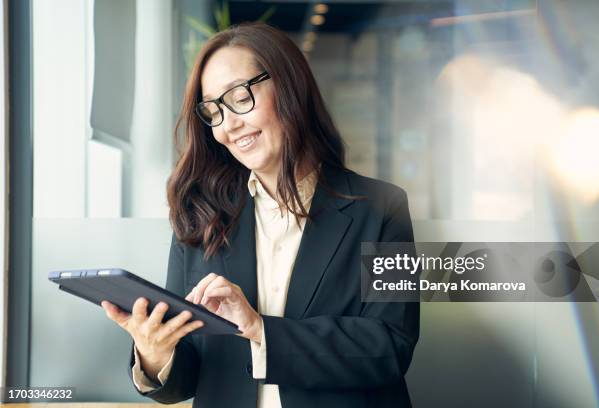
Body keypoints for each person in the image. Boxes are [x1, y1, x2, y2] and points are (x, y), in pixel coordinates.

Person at [101, 22, 419, 408]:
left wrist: (259, 329)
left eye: (238, 96)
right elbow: (189, 376)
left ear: (289, 86)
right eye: (213, 109)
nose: (229, 124)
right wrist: (154, 353)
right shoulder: (202, 214)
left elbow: (390, 346)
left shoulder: (384, 206)